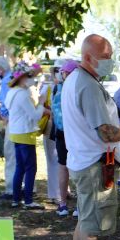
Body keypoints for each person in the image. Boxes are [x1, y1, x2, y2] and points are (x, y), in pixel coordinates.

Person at [61, 34, 120, 240]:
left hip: (84, 160)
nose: (110, 61)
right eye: (105, 57)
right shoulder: (87, 84)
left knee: (84, 220)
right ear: (87, 57)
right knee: (91, 227)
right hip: (94, 163)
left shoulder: (76, 79)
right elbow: (106, 132)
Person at [4, 62, 48, 209]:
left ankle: (16, 199)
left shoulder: (12, 91)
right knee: (30, 168)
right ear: (22, 77)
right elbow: (35, 116)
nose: (32, 78)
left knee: (20, 167)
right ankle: (28, 200)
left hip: (16, 133)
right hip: (25, 134)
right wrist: (41, 103)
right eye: (29, 75)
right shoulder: (22, 94)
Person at [51, 59, 80, 216]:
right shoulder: (77, 87)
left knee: (63, 167)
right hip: (75, 132)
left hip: (60, 132)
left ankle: (62, 204)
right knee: (78, 167)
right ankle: (79, 206)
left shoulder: (57, 87)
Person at [0, 56, 15, 198]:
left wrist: (1, 115)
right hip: (16, 122)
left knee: (11, 155)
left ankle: (11, 189)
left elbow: (7, 103)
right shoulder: (12, 78)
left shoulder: (7, 81)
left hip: (11, 122)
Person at [40, 63, 61, 203]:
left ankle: (64, 190)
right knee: (53, 160)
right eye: (57, 70)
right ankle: (55, 194)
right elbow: (40, 107)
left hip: (65, 128)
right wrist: (52, 113)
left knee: (63, 161)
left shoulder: (68, 88)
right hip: (51, 127)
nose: (60, 73)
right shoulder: (48, 88)